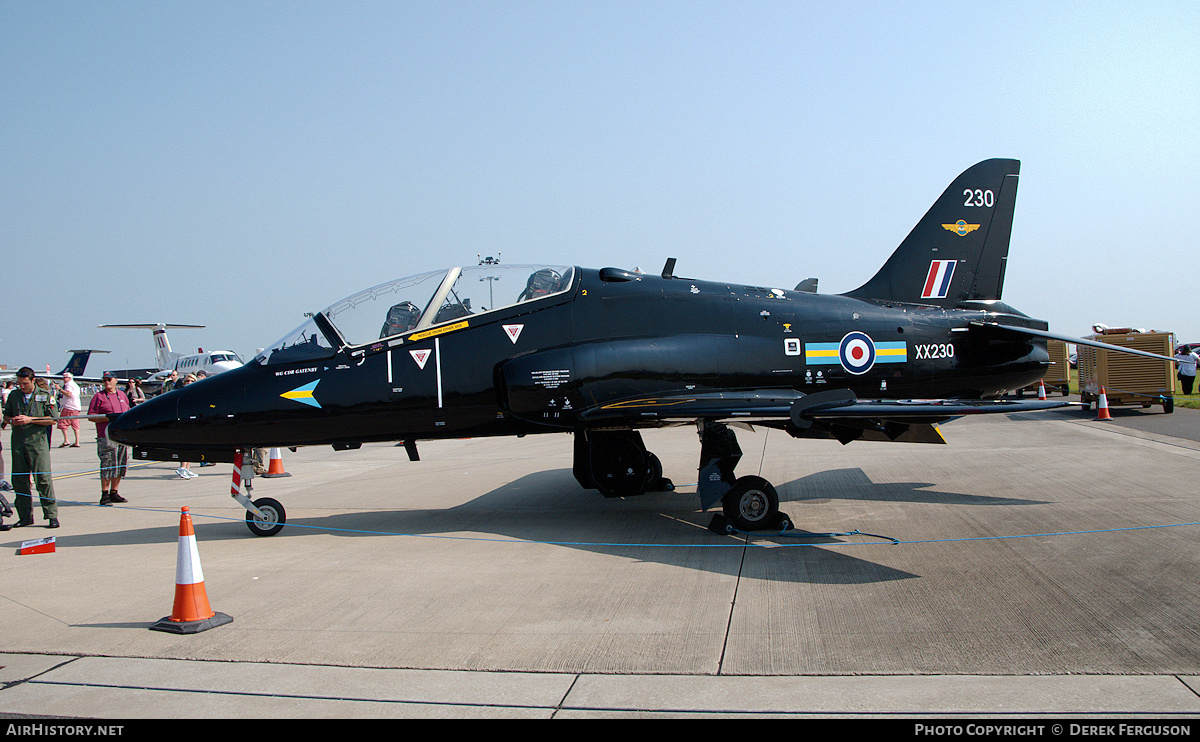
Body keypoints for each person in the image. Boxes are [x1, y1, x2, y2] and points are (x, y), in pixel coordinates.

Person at [2, 367, 59, 528]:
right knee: (19, 480)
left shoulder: (45, 395)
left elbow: (53, 420)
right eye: (19, 383)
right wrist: (12, 420)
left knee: (43, 479)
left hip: (38, 443)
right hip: (18, 443)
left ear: (32, 380)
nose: (22, 386)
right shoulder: (14, 396)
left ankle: (51, 515)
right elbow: (6, 416)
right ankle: (25, 516)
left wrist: (30, 419)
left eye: (25, 383)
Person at [87, 372, 132, 505]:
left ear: (115, 381)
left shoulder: (122, 395)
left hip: (121, 435)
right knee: (107, 463)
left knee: (121, 462)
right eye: (104, 380)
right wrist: (107, 418)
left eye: (109, 379)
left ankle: (114, 492)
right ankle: (104, 494)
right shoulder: (98, 397)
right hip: (106, 435)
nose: (106, 382)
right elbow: (91, 416)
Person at [175, 374, 199, 478]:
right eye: (187, 381)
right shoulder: (182, 394)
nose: (189, 383)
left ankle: (188, 468)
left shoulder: (196, 394)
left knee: (192, 446)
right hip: (184, 422)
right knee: (185, 445)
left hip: (194, 422)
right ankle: (182, 468)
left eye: (192, 381)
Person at [57, 371, 82, 447]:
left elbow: (68, 393)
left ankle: (66, 440)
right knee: (75, 424)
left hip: (69, 406)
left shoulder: (69, 385)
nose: (64, 379)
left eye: (65, 377)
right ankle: (77, 441)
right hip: (76, 407)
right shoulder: (75, 385)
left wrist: (59, 389)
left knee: (63, 423)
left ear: (69, 378)